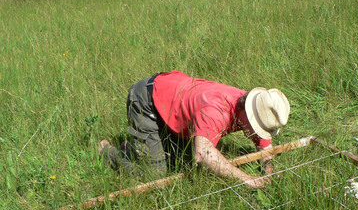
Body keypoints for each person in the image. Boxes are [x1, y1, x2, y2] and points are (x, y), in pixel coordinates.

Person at [99, 70, 290, 188]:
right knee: (154, 175)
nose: (258, 133)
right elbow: (203, 154)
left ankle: (140, 146)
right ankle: (109, 151)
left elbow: (264, 147)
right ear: (248, 115)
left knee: (181, 159)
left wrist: (268, 170)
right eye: (258, 127)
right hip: (147, 101)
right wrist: (249, 180)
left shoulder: (248, 104)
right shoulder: (215, 112)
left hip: (172, 96)